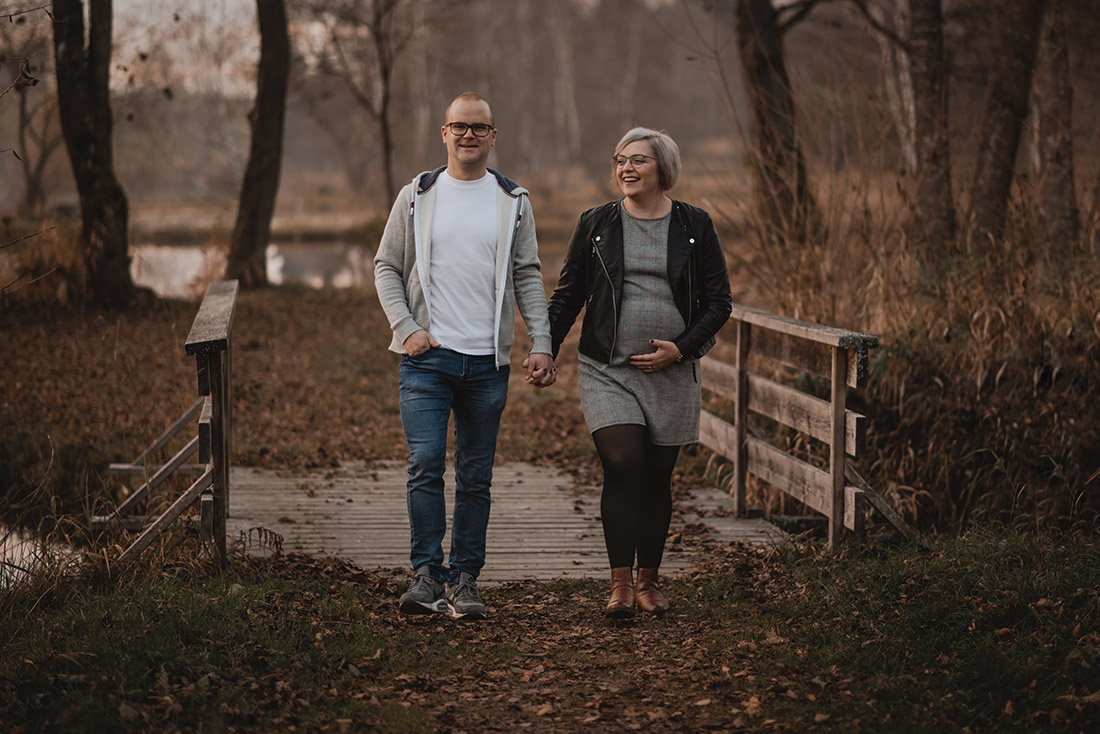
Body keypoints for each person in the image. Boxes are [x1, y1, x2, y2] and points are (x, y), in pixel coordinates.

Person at [374, 92, 555, 620]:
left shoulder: (513, 201)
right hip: (428, 358)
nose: (469, 135)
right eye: (460, 126)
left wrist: (541, 341)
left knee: (476, 477)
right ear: (444, 132)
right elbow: (386, 265)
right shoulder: (416, 195)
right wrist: (407, 328)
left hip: (486, 365)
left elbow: (527, 274)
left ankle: (466, 580)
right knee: (425, 465)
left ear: (493, 136)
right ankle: (427, 575)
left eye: (479, 127)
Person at [546, 128, 732, 618]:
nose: (626, 168)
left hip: (673, 370)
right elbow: (569, 295)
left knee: (655, 476)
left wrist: (683, 349)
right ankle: (620, 586)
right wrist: (544, 347)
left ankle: (649, 581)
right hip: (606, 367)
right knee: (624, 464)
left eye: (639, 160)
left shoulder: (695, 224)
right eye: (621, 160)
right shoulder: (597, 223)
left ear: (662, 169)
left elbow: (719, 303)